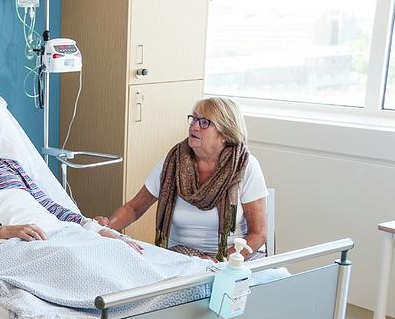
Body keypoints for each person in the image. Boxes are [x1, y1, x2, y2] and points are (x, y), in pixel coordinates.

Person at [0, 98, 141, 251]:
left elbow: (48, 206)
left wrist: (95, 228)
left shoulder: (9, 165)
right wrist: (4, 231)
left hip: (52, 230)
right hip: (10, 242)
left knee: (115, 250)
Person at [95, 97, 267, 260]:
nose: (194, 126)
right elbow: (134, 208)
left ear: (226, 134)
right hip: (182, 257)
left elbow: (258, 234)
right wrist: (104, 227)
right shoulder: (173, 162)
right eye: (194, 119)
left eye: (204, 122)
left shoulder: (245, 166)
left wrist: (219, 262)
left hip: (230, 259)